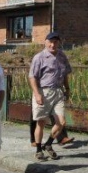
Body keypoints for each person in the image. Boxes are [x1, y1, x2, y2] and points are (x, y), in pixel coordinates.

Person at [29, 32, 72, 161]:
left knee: (61, 122)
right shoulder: (39, 57)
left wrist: (67, 88)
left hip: (58, 91)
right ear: (45, 42)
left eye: (55, 42)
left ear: (58, 43)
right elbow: (32, 77)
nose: (53, 45)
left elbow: (65, 74)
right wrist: (37, 94)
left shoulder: (62, 56)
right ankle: (38, 150)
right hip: (43, 92)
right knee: (41, 122)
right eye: (50, 42)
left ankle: (48, 144)